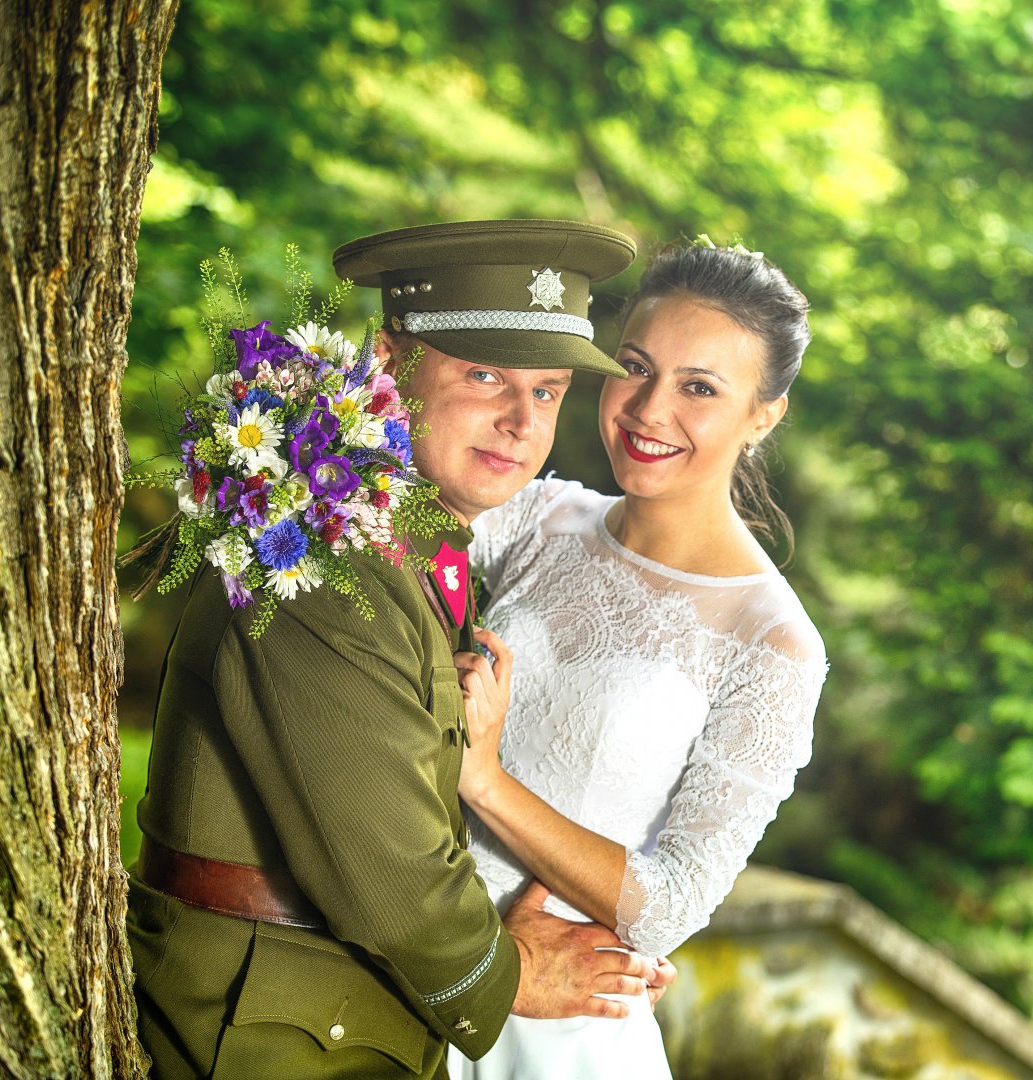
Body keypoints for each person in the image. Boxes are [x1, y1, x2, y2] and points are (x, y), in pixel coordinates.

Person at [127, 219, 673, 1080]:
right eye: (484, 375)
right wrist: (512, 974)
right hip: (269, 1034)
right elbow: (389, 870)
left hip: (333, 1015)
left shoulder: (415, 545)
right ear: (387, 362)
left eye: (547, 391)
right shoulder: (322, 555)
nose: (520, 422)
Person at [447, 241, 829, 1078]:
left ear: (764, 415)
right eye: (634, 367)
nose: (650, 409)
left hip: (563, 1029)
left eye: (700, 387)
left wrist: (485, 782)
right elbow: (378, 535)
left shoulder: (773, 641)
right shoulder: (539, 516)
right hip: (422, 964)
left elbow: (672, 907)